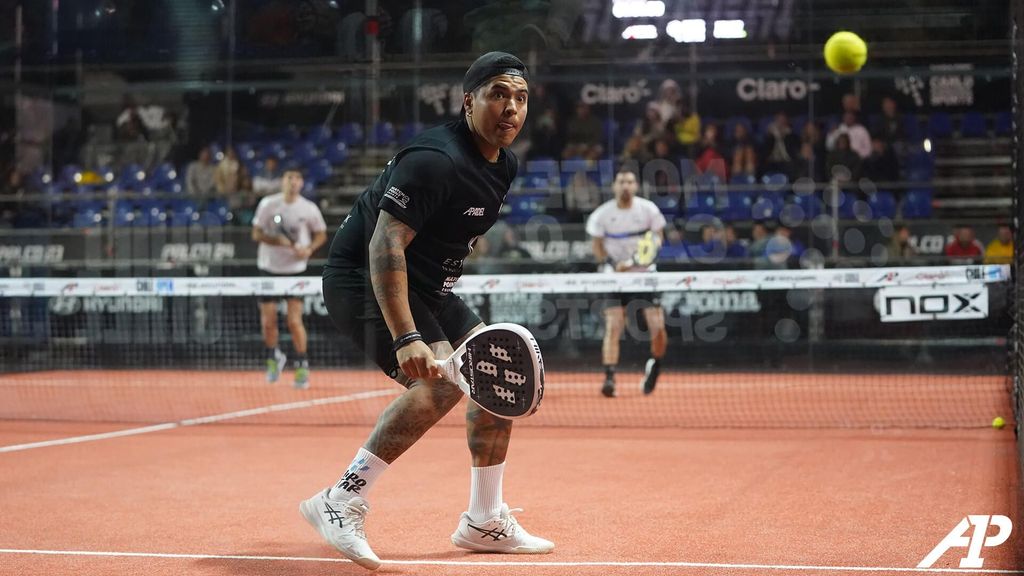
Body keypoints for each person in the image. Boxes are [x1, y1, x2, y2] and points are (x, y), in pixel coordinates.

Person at [310, 52, 553, 570]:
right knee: (439, 386)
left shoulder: (503, 164)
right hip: (362, 278)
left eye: (521, 97)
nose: (511, 107)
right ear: (469, 101)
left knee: (498, 374)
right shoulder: (434, 159)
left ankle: (484, 521)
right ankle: (340, 500)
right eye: (498, 94)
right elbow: (384, 245)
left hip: (430, 288)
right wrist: (406, 337)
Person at [586, 166, 668, 398]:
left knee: (658, 327)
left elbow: (657, 240)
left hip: (645, 276)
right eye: (621, 181)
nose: (625, 185)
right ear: (614, 186)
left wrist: (634, 262)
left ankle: (656, 364)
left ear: (636, 186)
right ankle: (610, 377)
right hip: (614, 278)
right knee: (614, 326)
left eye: (630, 181)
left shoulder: (648, 210)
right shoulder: (601, 215)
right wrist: (613, 264)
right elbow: (597, 247)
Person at [251, 169, 327, 389]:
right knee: (268, 323)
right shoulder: (268, 204)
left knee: (294, 321)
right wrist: (278, 241)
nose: (293, 182)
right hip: (269, 269)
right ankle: (273, 358)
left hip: (295, 271)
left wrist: (309, 249)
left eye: (297, 179)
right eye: (289, 178)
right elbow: (256, 234)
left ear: (301, 183)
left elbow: (321, 233)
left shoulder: (308, 208)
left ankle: (302, 365)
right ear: (282, 182)